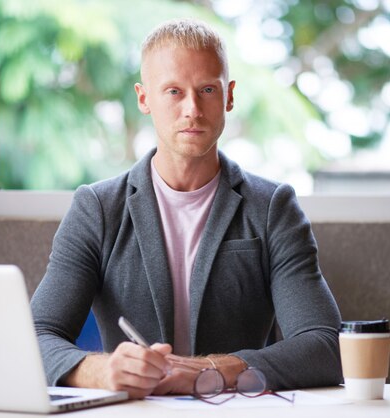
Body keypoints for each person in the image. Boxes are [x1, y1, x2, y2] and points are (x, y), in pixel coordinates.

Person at [31, 18, 342, 399]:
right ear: (144, 98)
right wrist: (101, 371)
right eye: (174, 91)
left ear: (228, 96)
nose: (192, 109)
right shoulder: (96, 208)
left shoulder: (273, 208)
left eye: (207, 89)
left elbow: (325, 345)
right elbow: (34, 337)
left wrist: (206, 371)